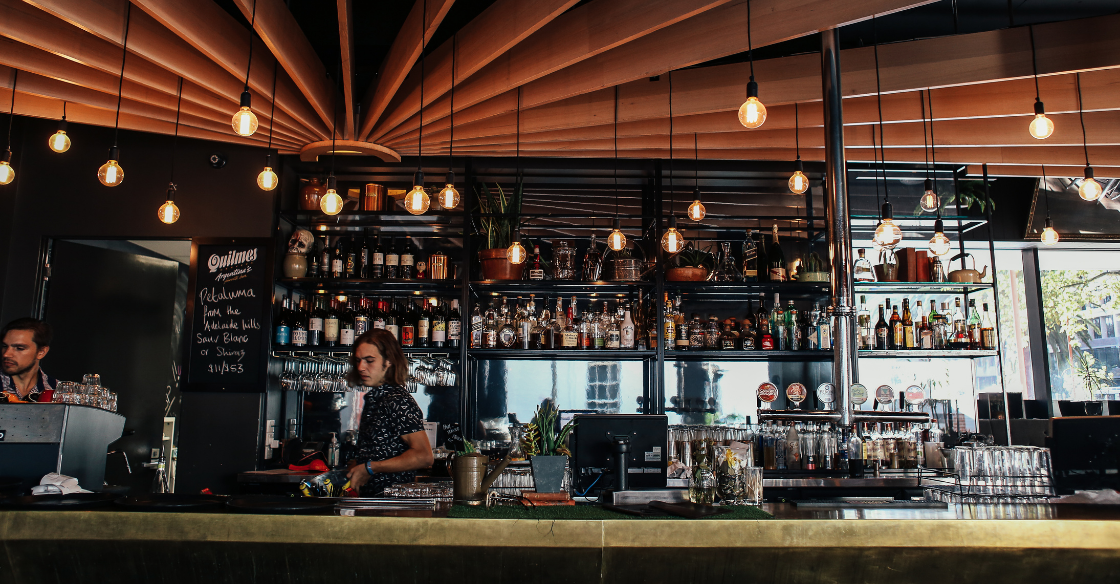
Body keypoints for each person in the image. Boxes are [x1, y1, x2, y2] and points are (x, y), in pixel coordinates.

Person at [344, 329, 433, 495]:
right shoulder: (375, 398)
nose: (361, 367)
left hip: (391, 505)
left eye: (369, 361)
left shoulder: (397, 400)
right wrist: (359, 464)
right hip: (372, 501)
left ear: (389, 361)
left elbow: (424, 456)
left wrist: (370, 468)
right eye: (358, 360)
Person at [0, 318, 57, 403]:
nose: (6, 354)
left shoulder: (57, 391)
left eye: (19, 348)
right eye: (5, 346)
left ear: (41, 352)